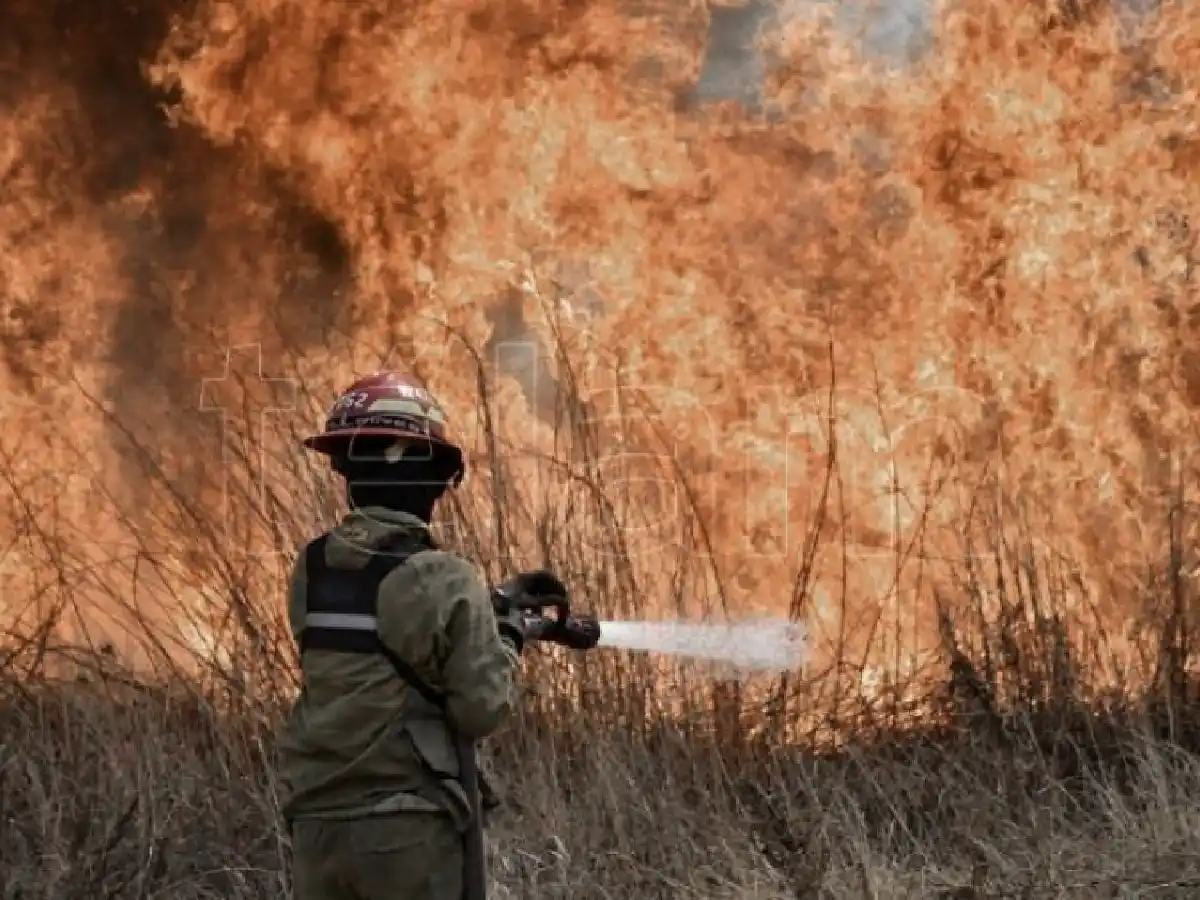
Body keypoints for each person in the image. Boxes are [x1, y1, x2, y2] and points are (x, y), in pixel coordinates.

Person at [278, 370, 567, 900]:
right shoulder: (443, 576)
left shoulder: (313, 567)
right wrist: (506, 634)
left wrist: (492, 603)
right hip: (404, 829)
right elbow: (480, 708)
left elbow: (382, 621)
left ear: (345, 470)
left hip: (317, 823)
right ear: (423, 473)